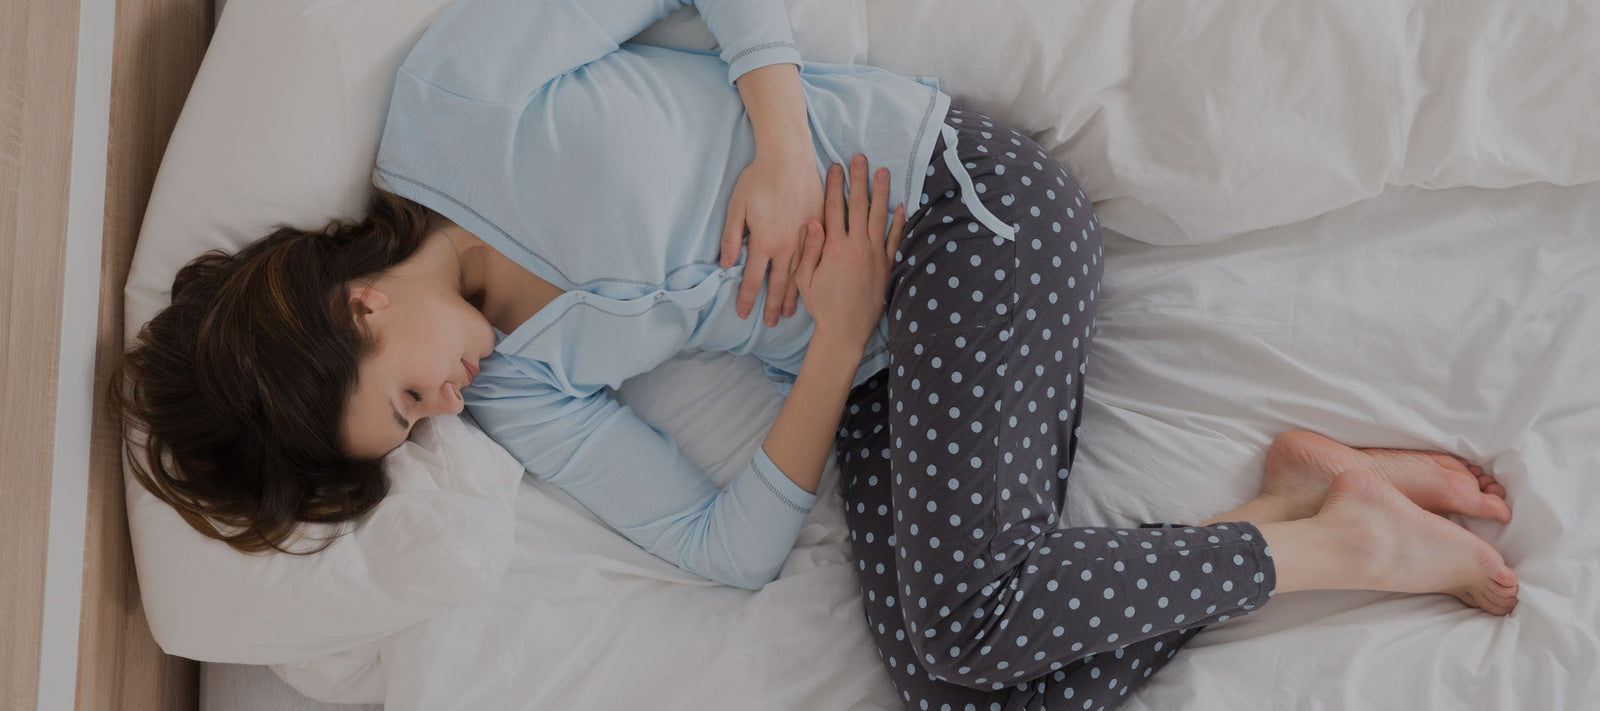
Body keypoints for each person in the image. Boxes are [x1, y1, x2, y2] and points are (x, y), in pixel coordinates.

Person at [112, 0, 1520, 708]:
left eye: (406, 399)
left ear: (354, 306)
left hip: (960, 210)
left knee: (967, 622)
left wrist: (780, 146)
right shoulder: (529, 391)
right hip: (890, 352)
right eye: (417, 434)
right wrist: (837, 342)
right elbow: (725, 543)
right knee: (966, 700)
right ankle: (1293, 504)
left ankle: (1340, 544)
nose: (444, 413)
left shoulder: (458, 109)